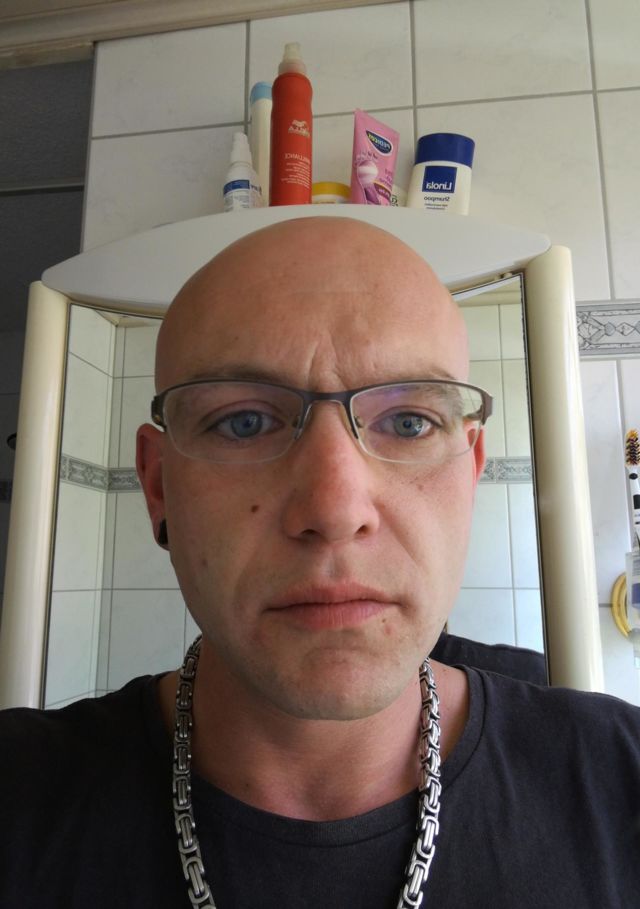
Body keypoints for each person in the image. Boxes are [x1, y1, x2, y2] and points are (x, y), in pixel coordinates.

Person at [0, 216, 638, 908]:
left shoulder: (621, 778)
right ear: (159, 486)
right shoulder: (20, 796)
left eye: (409, 422)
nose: (335, 509)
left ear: (471, 472)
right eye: (243, 421)